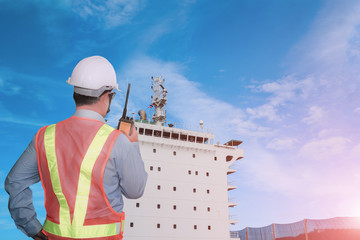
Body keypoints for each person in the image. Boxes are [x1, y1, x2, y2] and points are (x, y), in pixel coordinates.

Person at [5, 56, 148, 240]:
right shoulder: (118, 141)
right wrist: (133, 145)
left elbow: (14, 182)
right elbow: (135, 190)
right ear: (107, 96)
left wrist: (31, 226)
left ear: (75, 93)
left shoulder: (44, 137)